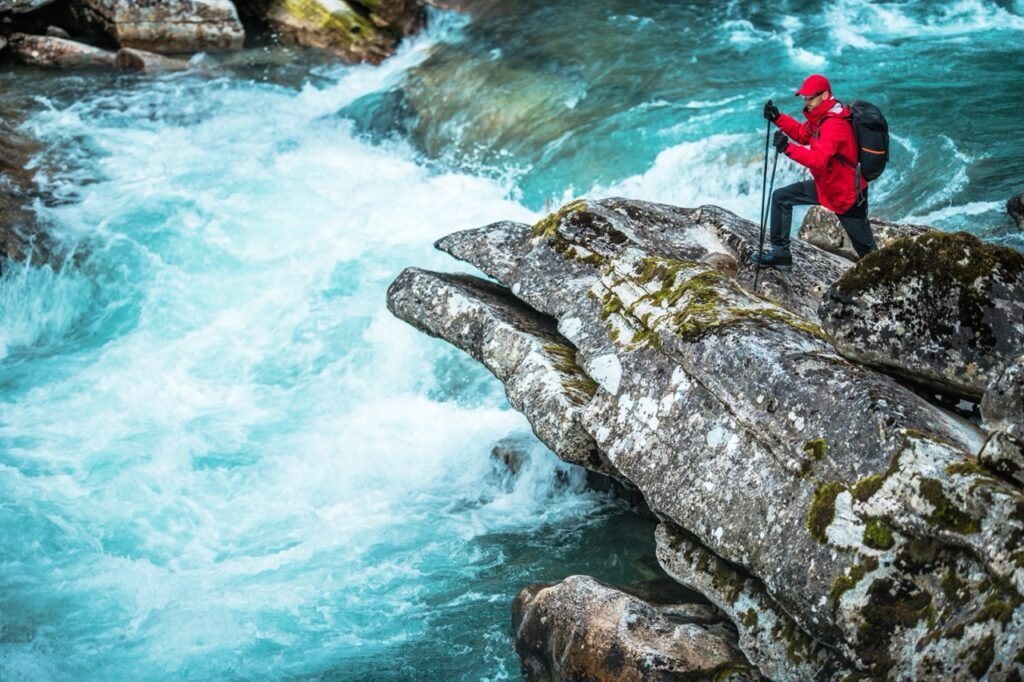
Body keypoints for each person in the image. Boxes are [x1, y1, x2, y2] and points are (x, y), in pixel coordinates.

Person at [754, 74, 877, 271]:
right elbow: (803, 135)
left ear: (825, 95)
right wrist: (778, 118)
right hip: (826, 186)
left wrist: (787, 148)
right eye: (804, 97)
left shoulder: (834, 124)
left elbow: (819, 161)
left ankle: (885, 279)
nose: (806, 102)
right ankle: (780, 254)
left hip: (846, 196)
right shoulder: (821, 116)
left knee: (869, 253)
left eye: (810, 97)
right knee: (781, 197)